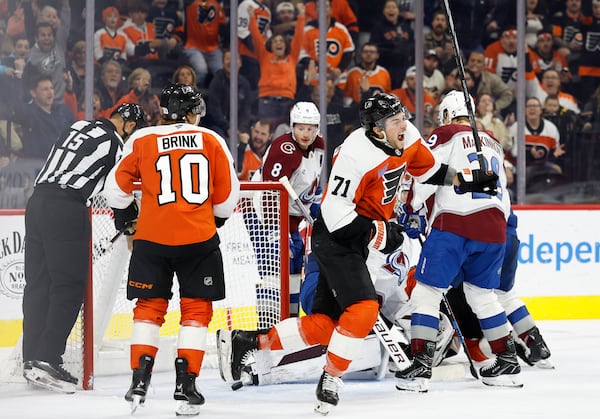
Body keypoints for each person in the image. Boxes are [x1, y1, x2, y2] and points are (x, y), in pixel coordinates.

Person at [217, 93, 498, 413]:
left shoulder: (407, 136)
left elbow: (429, 170)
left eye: (403, 117)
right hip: (336, 239)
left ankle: (249, 341)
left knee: (325, 324)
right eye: (395, 122)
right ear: (378, 129)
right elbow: (336, 215)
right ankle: (331, 379)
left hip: (362, 238)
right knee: (364, 310)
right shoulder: (354, 154)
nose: (404, 125)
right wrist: (378, 233)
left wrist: (468, 180)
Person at [102, 84, 240, 415]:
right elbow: (226, 200)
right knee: (195, 310)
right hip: (198, 239)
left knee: (148, 308)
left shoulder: (142, 139)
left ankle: (138, 381)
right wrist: (213, 220)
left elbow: (115, 192)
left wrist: (132, 221)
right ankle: (185, 387)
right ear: (192, 112)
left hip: (151, 240)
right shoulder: (211, 140)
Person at [396, 90, 519, 393]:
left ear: (448, 115)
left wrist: (411, 208)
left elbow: (426, 173)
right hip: (494, 228)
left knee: (426, 291)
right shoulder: (493, 141)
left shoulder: (446, 133)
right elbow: (500, 188)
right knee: (482, 294)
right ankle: (507, 361)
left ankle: (420, 367)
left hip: (455, 222)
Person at [21, 103, 145, 394]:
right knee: (69, 286)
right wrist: (128, 222)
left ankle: (31, 358)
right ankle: (47, 358)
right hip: (66, 209)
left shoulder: (75, 126)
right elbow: (117, 190)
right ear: (128, 126)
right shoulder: (115, 144)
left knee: (37, 285)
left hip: (36, 203)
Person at [251, 101, 325, 316]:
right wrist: (276, 234)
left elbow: (311, 179)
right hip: (264, 216)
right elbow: (269, 193)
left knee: (294, 270)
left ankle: (290, 321)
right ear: (292, 127)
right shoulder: (284, 150)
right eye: (300, 128)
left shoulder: (318, 145)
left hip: (291, 217)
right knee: (274, 267)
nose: (305, 133)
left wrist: (313, 205)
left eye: (310, 128)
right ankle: (266, 324)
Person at [249, 1, 305, 128]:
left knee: (284, 134)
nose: (278, 43)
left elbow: (299, 37)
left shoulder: (292, 57)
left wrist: (301, 15)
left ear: (286, 45)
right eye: (275, 41)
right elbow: (257, 37)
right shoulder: (265, 56)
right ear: (270, 45)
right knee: (266, 133)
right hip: (266, 100)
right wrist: (252, 17)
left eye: (281, 41)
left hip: (287, 101)